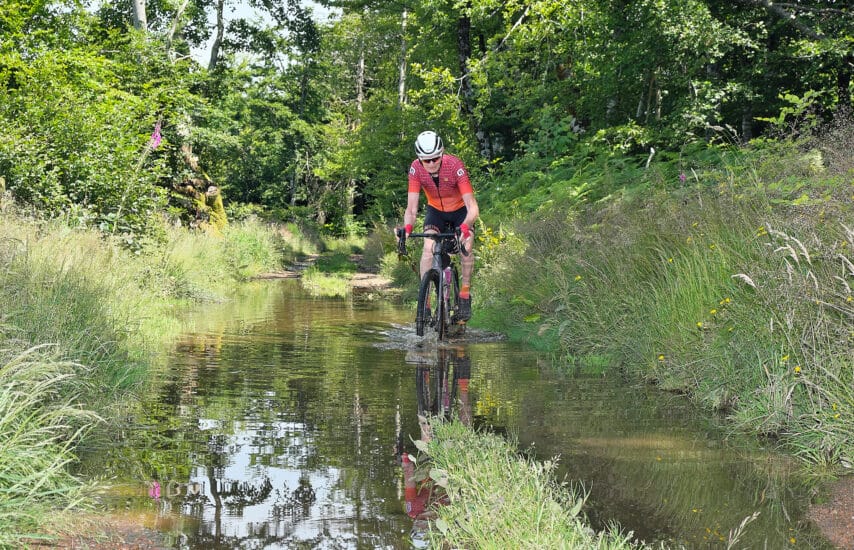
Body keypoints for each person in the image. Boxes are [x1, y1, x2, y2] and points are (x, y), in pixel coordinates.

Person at [402, 130, 479, 321]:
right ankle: (425, 303)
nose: (431, 164)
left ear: (442, 152)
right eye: (426, 160)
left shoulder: (455, 165)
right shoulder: (415, 169)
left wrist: (466, 226)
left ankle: (464, 294)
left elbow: (472, 207)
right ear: (419, 159)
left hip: (460, 211)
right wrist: (407, 229)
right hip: (435, 211)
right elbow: (411, 209)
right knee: (428, 248)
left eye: (435, 158)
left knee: (466, 247)